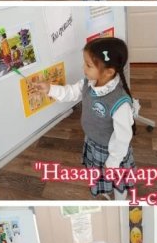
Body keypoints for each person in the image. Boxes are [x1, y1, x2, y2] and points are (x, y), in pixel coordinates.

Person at [33, 37, 138, 200]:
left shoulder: (120, 102)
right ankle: (105, 189)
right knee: (100, 177)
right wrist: (50, 89)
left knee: (118, 180)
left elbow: (122, 138)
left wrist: (113, 162)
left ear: (109, 72)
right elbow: (70, 92)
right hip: (93, 143)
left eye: (88, 65)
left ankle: (120, 197)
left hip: (112, 151)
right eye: (85, 63)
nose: (83, 68)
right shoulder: (88, 83)